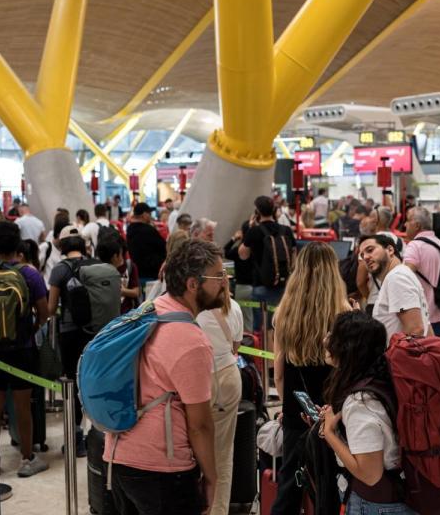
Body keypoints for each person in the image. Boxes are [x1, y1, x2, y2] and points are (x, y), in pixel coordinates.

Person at [106, 239, 221, 515]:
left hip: (118, 456)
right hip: (162, 469)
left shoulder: (148, 311)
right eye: (218, 276)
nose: (225, 282)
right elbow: (200, 426)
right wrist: (212, 476)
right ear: (193, 284)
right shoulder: (191, 341)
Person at [270, 242, 350, 515]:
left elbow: (278, 370)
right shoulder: (343, 312)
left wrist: (285, 406)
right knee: (330, 487)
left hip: (297, 411)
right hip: (334, 414)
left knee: (289, 487)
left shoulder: (285, 313)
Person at [0, 221, 50, 477]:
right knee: (22, 405)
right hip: (22, 348)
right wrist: (29, 328)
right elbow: (45, 312)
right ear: (18, 244)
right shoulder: (30, 273)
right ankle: (27, 458)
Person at [320, 310, 413, 515]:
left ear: (347, 348)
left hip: (377, 506)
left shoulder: (360, 403)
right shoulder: (381, 380)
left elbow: (370, 474)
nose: (326, 339)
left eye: (333, 335)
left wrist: (329, 434)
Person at [47, 225, 107, 457]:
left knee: (73, 383)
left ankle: (76, 438)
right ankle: (100, 434)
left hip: (71, 333)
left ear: (62, 248)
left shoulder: (60, 270)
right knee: (95, 381)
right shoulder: (97, 266)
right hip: (98, 332)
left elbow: (51, 308)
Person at [196, 282, 244, 515]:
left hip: (198, 380)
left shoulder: (192, 312)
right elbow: (236, 347)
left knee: (193, 451)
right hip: (228, 377)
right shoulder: (233, 307)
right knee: (223, 454)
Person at [239, 196, 297, 322]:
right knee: (280, 324)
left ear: (257, 212)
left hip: (261, 285)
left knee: (262, 327)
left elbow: (243, 255)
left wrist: (249, 230)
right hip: (283, 285)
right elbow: (294, 256)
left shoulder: (254, 231)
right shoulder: (285, 230)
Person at [359, 234, 429, 337]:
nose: (365, 257)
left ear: (390, 250)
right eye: (362, 255)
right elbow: (426, 326)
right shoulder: (400, 274)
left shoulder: (396, 278)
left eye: (370, 250)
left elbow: (416, 330)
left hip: (399, 352)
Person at [402, 207, 440, 339]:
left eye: (408, 220)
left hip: (424, 316)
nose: (405, 224)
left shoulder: (415, 246)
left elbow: (405, 277)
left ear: (417, 225)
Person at [126, 202, 167, 290]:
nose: (150, 216)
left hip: (137, 275)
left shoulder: (129, 229)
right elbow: (164, 247)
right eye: (149, 213)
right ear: (144, 215)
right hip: (152, 275)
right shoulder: (148, 230)